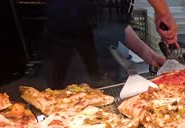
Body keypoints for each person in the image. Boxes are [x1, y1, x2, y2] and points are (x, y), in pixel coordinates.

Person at [43, 0, 178, 89]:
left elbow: (115, 25)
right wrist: (162, 12)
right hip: (72, 76)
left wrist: (149, 55)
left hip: (111, 79)